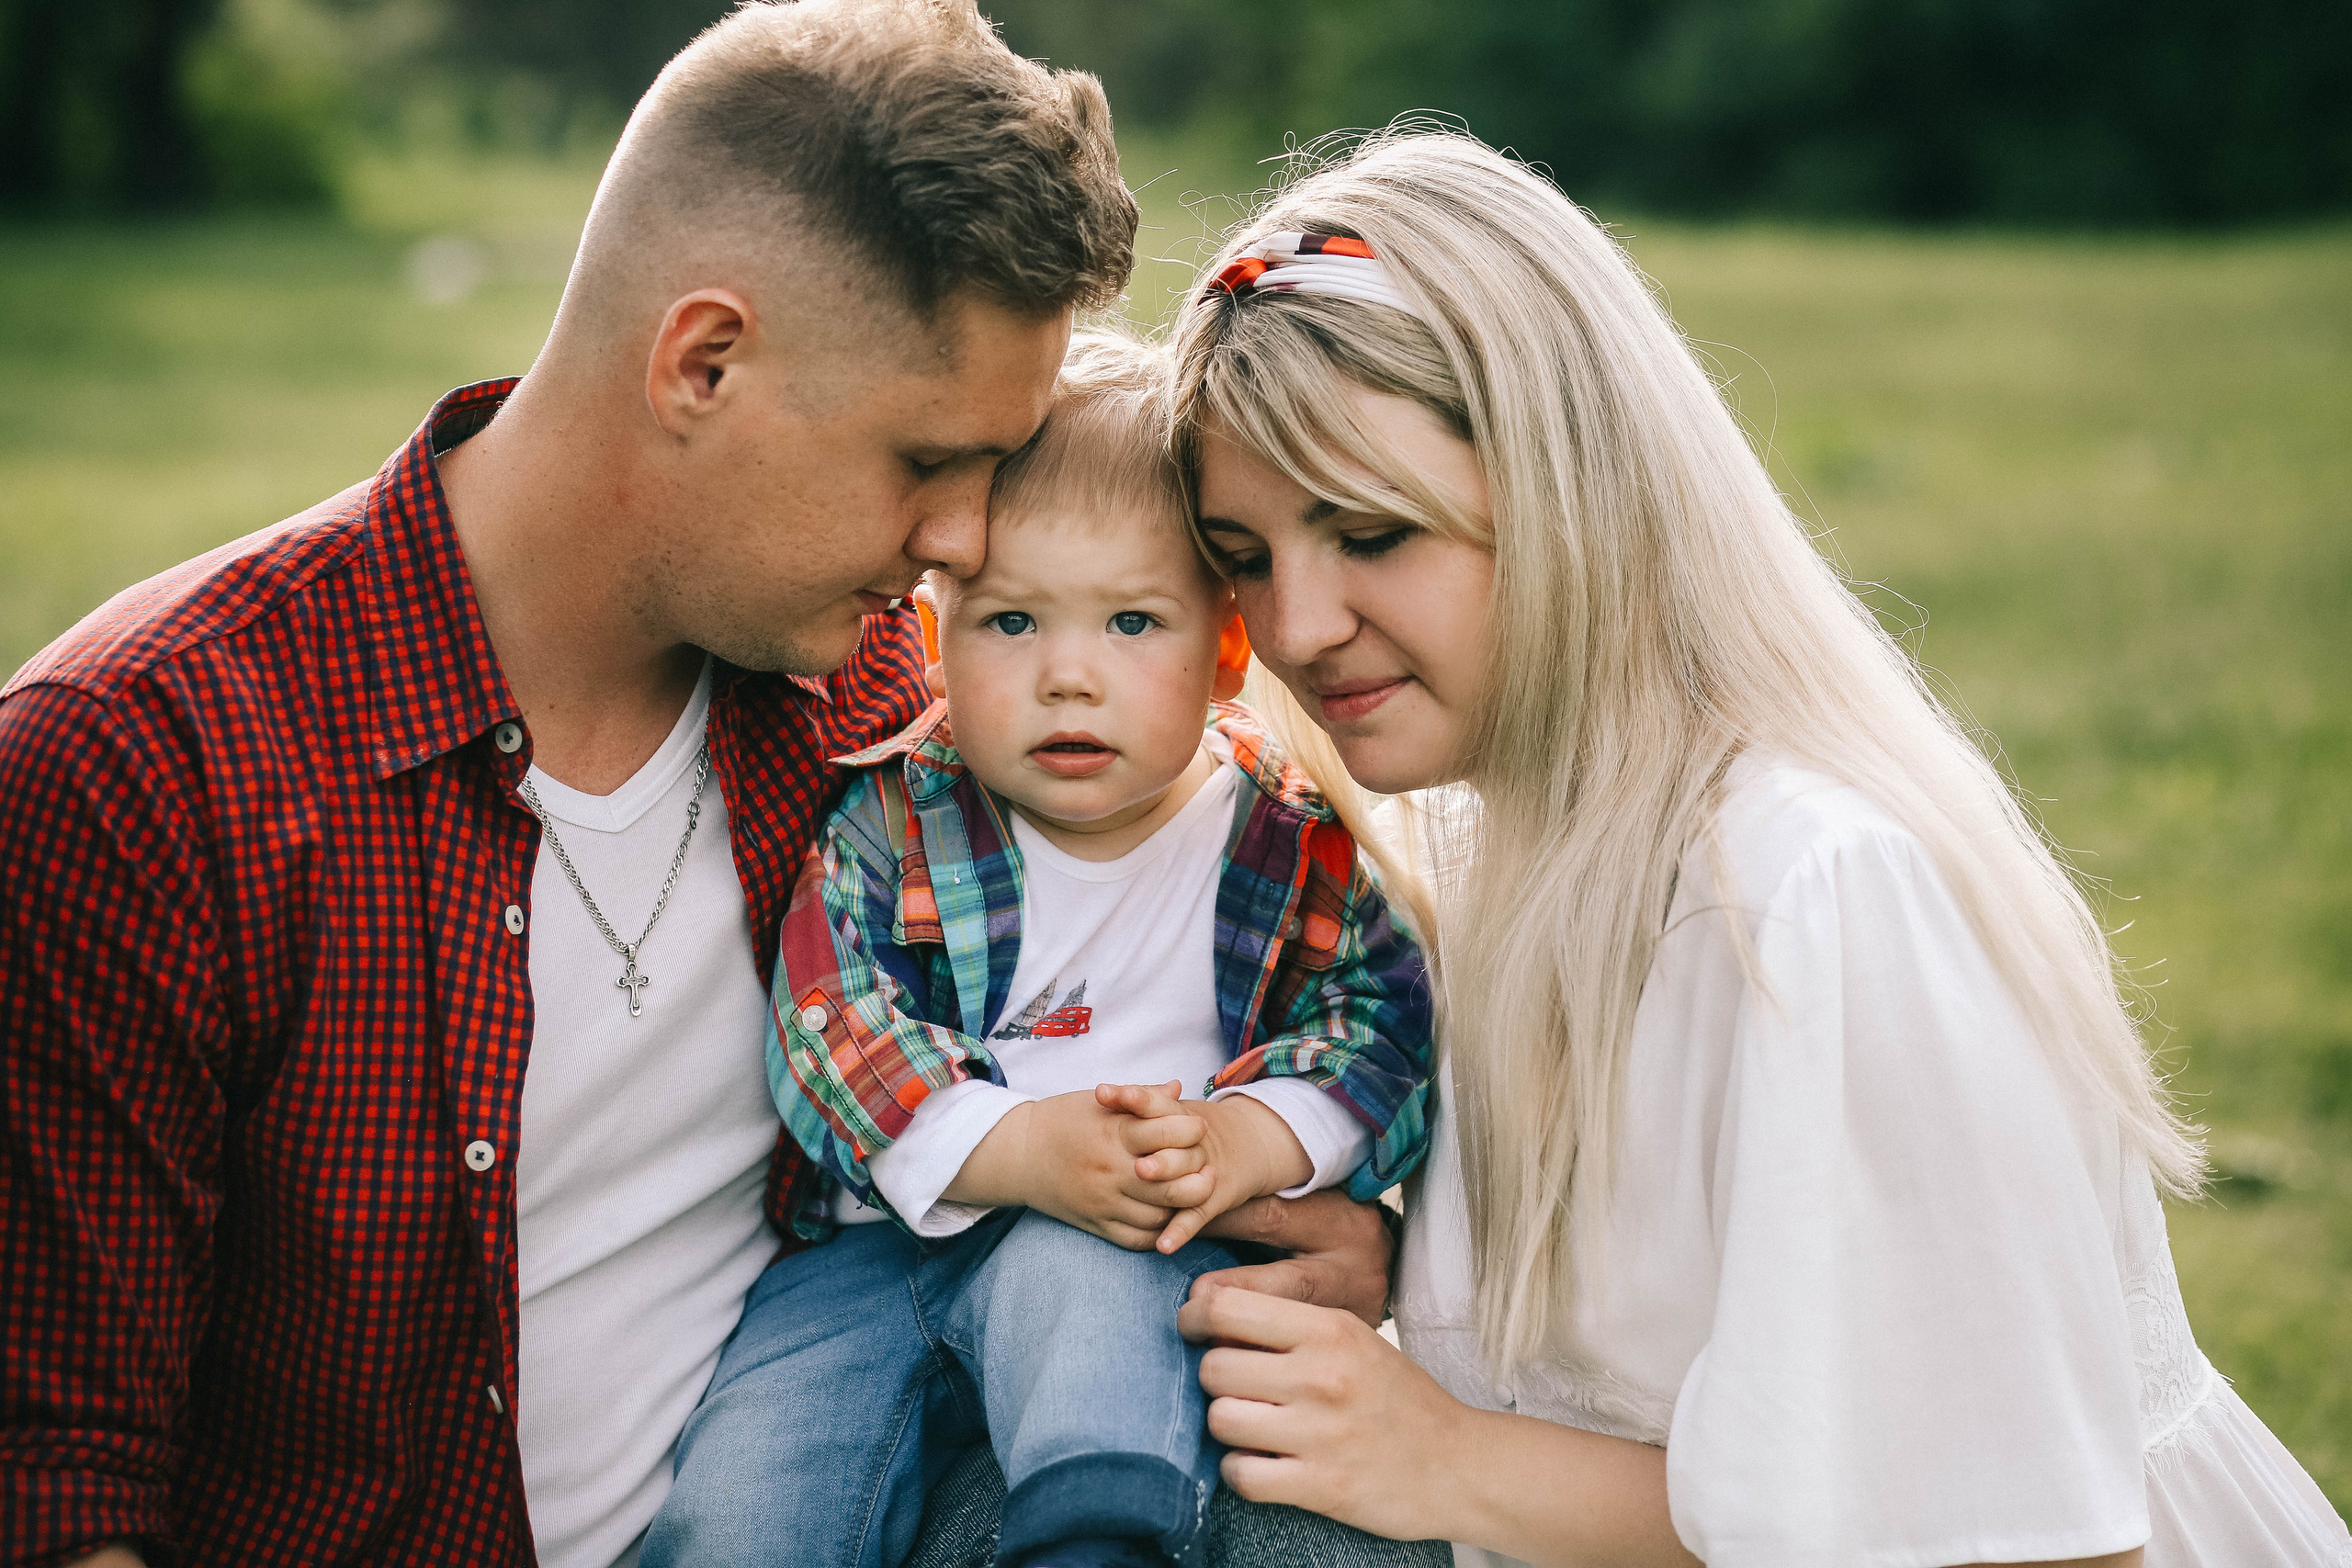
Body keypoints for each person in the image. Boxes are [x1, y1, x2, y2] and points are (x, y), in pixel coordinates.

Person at [0, 7, 1396, 1567]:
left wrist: (1321, 1230)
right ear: (704, 364)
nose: (962, 545)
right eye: (925, 460)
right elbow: (57, 1481)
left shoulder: (891, 704)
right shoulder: (140, 770)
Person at [1159, 131, 2352, 1567]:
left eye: (1370, 533)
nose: (1294, 629)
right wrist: (1404, 1274)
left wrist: (1452, 1459)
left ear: (1568, 487)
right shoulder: (1483, 844)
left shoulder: (1811, 892)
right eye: (1243, 556)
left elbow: (2030, 1548)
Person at [641, 334, 1439, 1568]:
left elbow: (1381, 1025)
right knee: (757, 1488)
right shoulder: (897, 819)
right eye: (1012, 621)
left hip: (1124, 1244)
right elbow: (828, 1029)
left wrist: (1251, 1137)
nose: (1070, 676)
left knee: (1102, 1410)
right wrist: (1016, 1149)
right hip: (876, 1255)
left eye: (1133, 622)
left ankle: (1092, 1542)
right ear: (936, 637)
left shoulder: (1280, 837)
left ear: (1226, 651)